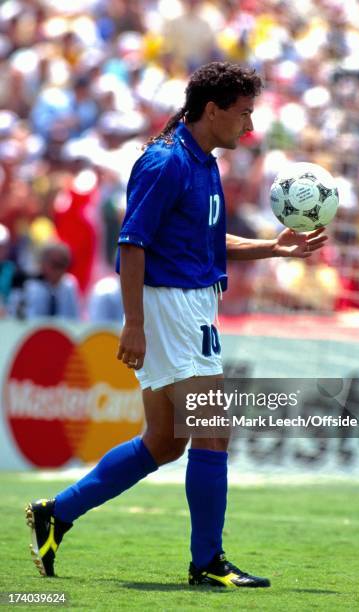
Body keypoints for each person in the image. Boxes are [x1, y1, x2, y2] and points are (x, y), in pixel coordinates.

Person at [26, 62, 327, 587]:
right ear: (213, 110)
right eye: (244, 113)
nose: (250, 127)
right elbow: (131, 244)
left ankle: (59, 512)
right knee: (214, 431)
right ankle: (207, 563)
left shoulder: (202, 161)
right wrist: (134, 324)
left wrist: (275, 249)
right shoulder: (165, 163)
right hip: (171, 309)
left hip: (188, 306)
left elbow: (207, 242)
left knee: (165, 442)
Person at [10, 241, 79, 319]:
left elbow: (74, 319)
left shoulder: (69, 285)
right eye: (55, 264)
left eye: (63, 265)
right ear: (43, 263)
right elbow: (16, 317)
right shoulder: (27, 285)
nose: (59, 270)